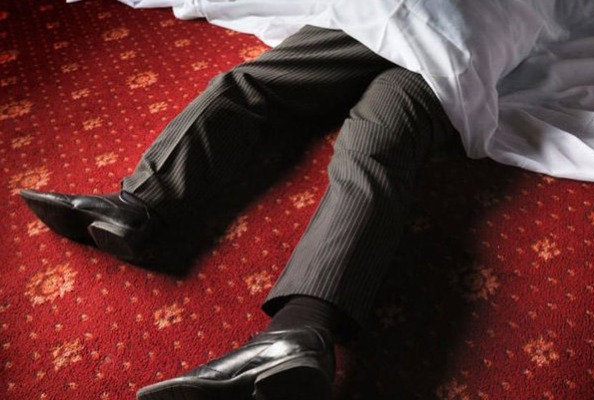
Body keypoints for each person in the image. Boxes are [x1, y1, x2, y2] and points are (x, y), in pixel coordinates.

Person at [21, 25, 455, 400]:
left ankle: (141, 206)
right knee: (373, 153)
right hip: (446, 38)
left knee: (258, 86)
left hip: (442, 29)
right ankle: (298, 335)